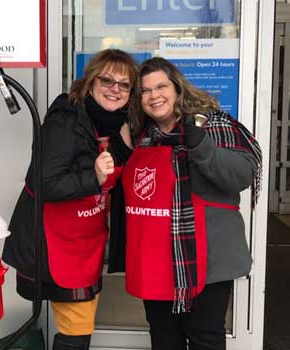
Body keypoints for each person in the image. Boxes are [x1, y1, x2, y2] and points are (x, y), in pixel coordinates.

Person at [108, 57, 262, 350]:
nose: (154, 95)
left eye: (161, 86)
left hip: (209, 261)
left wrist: (202, 147)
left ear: (177, 88)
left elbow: (242, 174)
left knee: (205, 338)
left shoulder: (213, 123)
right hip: (157, 261)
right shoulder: (143, 136)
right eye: (145, 90)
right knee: (164, 338)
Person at [2, 49, 138, 350]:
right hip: (57, 240)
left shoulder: (118, 124)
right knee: (76, 331)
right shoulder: (65, 121)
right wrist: (94, 178)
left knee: (78, 327)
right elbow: (43, 183)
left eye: (124, 84)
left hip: (86, 239)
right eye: (107, 80)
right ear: (90, 82)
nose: (115, 89)